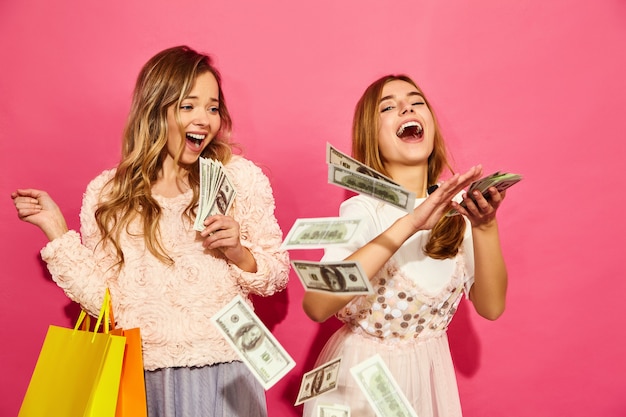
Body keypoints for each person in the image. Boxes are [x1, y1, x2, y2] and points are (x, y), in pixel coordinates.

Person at [12, 45, 289, 417]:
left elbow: (277, 275)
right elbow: (105, 304)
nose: (204, 119)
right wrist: (56, 230)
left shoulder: (238, 177)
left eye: (212, 107)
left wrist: (238, 251)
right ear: (156, 110)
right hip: (143, 379)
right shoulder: (109, 192)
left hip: (226, 370)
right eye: (188, 106)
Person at [302, 75, 508, 417]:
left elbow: (491, 307)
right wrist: (410, 223)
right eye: (388, 106)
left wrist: (485, 227)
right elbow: (317, 304)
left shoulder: (458, 208)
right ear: (372, 136)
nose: (406, 107)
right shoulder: (362, 209)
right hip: (363, 382)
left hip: (429, 378)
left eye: (416, 101)